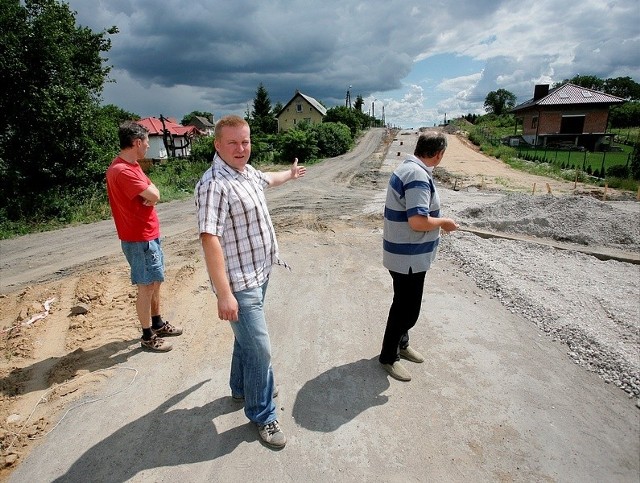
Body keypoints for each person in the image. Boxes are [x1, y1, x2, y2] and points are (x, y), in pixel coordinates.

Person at [195, 115, 306, 448]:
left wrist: (290, 173)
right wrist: (224, 294)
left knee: (246, 339)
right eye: (232, 143)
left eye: (245, 141)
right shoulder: (215, 182)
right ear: (217, 145)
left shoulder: (245, 171)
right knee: (260, 349)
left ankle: (242, 388)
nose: (241, 148)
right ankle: (263, 414)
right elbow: (209, 238)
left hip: (259, 271)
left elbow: (267, 180)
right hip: (239, 282)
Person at [379, 131, 459, 381]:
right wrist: (444, 222)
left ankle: (401, 344)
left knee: (405, 305)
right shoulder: (417, 176)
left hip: (405, 253)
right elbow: (417, 221)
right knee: (406, 310)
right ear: (438, 153)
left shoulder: (409, 167)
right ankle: (388, 357)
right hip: (409, 256)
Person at [106, 121, 183, 353]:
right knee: (146, 285)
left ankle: (157, 323)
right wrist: (151, 194)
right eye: (147, 142)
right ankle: (147, 336)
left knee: (155, 281)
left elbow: (155, 192)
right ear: (137, 142)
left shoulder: (132, 165)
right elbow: (152, 193)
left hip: (148, 235)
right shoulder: (122, 171)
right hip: (139, 238)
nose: (149, 146)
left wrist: (152, 194)